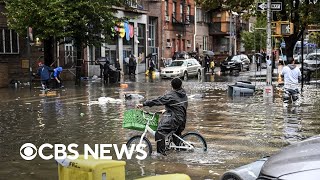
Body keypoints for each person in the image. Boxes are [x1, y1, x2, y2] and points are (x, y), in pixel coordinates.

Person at [136, 78, 188, 156]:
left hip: (175, 119)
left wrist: (144, 104)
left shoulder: (171, 95)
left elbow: (158, 100)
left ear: (171, 86)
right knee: (175, 135)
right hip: (182, 119)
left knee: (160, 131)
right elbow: (179, 106)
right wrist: (167, 110)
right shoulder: (184, 95)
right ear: (181, 85)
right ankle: (180, 150)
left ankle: (160, 154)